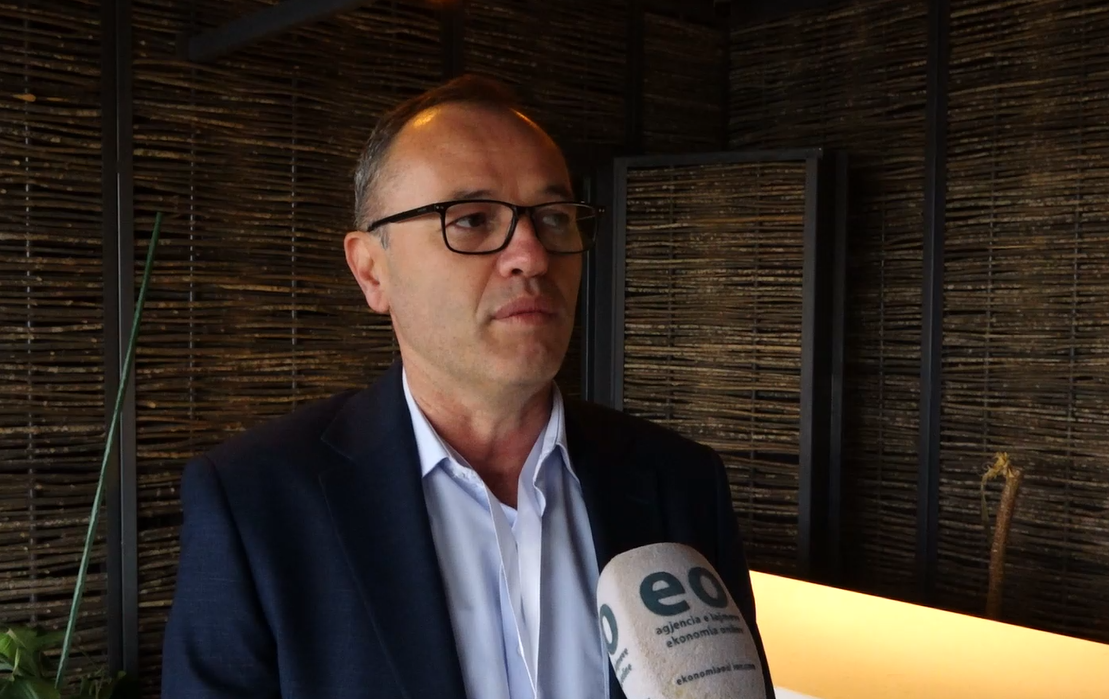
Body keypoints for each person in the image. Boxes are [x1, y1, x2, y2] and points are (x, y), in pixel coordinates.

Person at [161, 75, 773, 699]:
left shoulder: (681, 482)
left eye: (554, 219)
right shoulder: (256, 502)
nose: (532, 255)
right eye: (474, 220)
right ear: (372, 270)